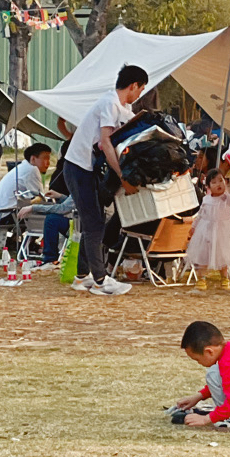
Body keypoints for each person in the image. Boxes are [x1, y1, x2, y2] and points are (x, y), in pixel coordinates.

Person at [62, 63, 147, 297]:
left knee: (95, 221)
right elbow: (105, 143)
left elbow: (137, 121)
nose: (139, 94)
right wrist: (123, 176)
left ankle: (82, 276)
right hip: (79, 167)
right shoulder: (109, 104)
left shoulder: (119, 106)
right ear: (133, 86)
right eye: (140, 89)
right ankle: (100, 280)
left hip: (84, 168)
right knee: (94, 223)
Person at [0, 141, 58, 254]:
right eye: (45, 158)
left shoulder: (22, 167)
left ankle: (18, 242)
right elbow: (40, 198)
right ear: (33, 159)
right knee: (50, 216)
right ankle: (38, 246)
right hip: (5, 214)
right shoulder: (32, 170)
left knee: (31, 210)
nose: (48, 163)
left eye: (49, 159)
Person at [185, 163, 230, 277]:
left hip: (223, 232)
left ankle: (224, 277)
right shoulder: (206, 200)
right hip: (206, 231)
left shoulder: (227, 199)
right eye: (214, 182)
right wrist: (194, 227)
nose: (218, 184)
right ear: (208, 187)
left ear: (225, 182)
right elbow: (200, 214)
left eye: (220, 180)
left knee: (222, 255)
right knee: (203, 255)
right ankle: (201, 278)